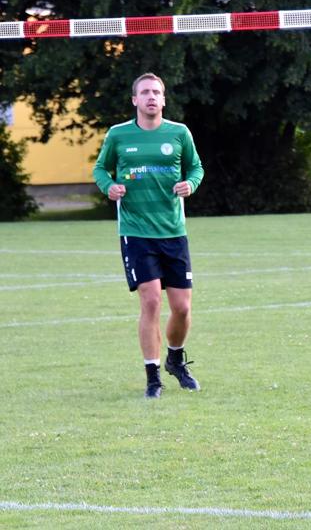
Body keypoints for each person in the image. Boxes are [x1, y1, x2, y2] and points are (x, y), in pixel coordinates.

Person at [92, 73, 204, 399]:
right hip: (136, 231)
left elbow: (196, 168)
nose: (151, 97)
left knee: (182, 308)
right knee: (152, 300)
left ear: (164, 99)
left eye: (157, 92)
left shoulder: (179, 133)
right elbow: (101, 169)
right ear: (135, 100)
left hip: (173, 231)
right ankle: (153, 376)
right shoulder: (118, 135)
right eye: (145, 92)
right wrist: (109, 187)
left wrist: (191, 184)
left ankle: (174, 360)